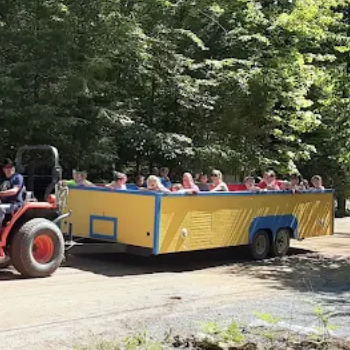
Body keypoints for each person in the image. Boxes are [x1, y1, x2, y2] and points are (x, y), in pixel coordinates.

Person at [0, 159, 24, 231]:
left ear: (13, 168)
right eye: (7, 167)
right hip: (4, 204)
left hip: (15, 204)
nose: (9, 169)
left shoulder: (18, 177)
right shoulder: (2, 180)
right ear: (3, 169)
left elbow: (14, 191)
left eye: (11, 167)